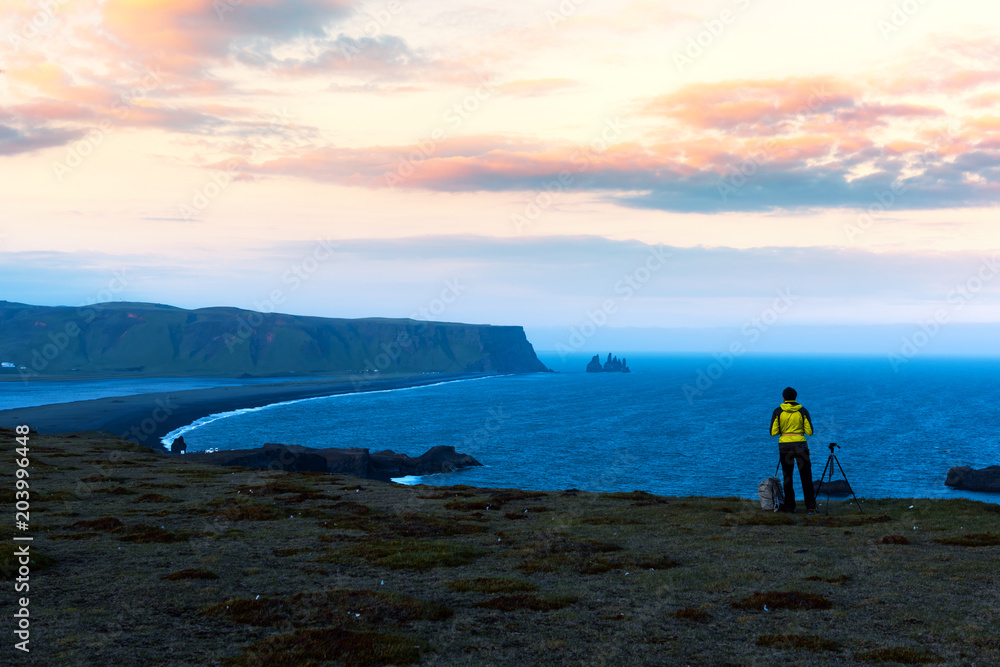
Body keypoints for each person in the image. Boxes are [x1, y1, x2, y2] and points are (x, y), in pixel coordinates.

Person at [769, 387, 816, 514]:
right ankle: (811, 507)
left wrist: (784, 430)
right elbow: (810, 432)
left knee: (787, 477)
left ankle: (790, 507)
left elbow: (773, 432)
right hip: (801, 446)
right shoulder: (803, 411)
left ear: (783, 398)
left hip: (785, 447)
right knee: (806, 477)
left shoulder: (778, 411)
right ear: (795, 397)